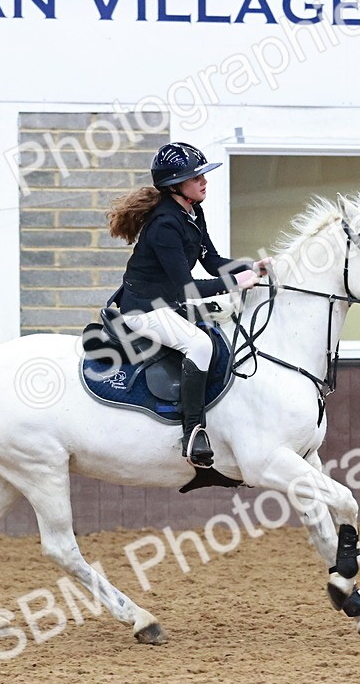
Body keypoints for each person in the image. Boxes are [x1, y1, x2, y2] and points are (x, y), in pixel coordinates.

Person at [107, 142, 270, 469]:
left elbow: (212, 262)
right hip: (142, 308)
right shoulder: (165, 224)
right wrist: (237, 283)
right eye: (196, 177)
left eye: (202, 176)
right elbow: (188, 288)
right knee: (199, 345)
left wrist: (251, 267)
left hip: (167, 301)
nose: (204, 181)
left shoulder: (192, 211)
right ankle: (193, 431)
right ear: (175, 185)